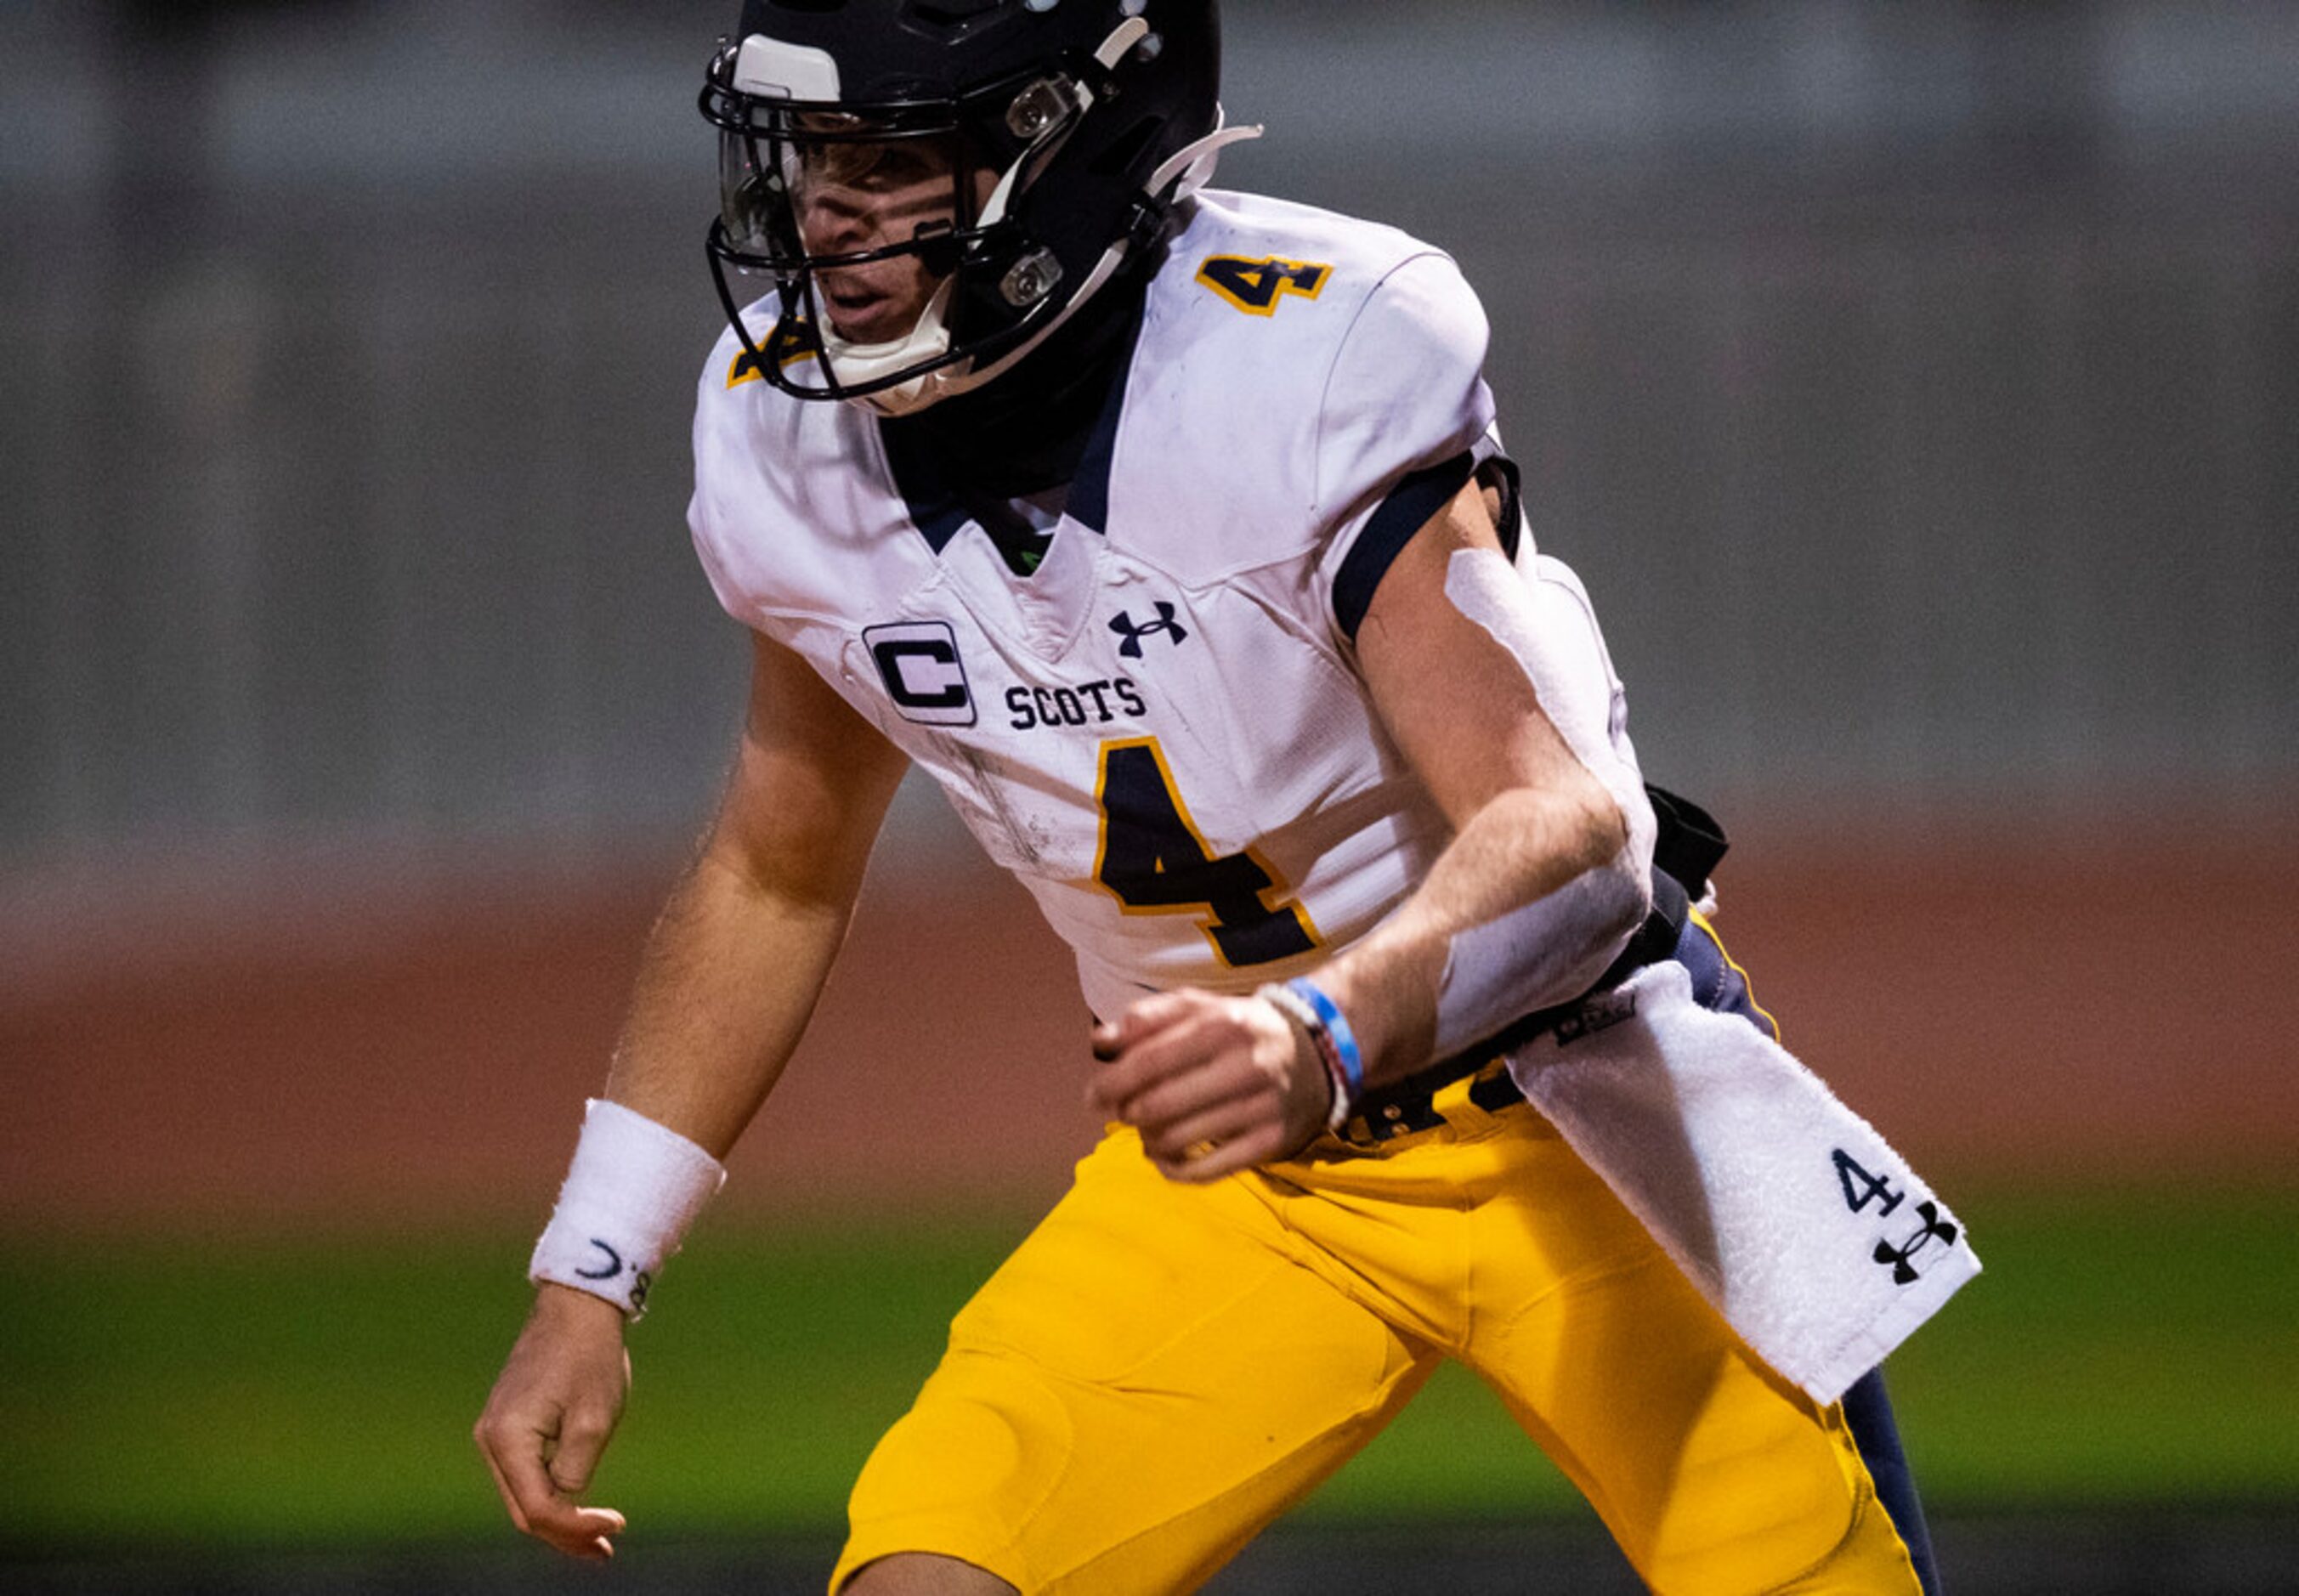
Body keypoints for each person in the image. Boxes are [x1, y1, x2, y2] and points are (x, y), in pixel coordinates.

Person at [474, 3, 1950, 1591]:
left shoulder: (1305, 356)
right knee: (927, 1574)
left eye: (887, 160)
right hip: (1253, 1172)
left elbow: (1567, 829)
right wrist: (589, 1272)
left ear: (1068, 153)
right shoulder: (787, 441)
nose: (821, 217)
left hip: (1578, 1106)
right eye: (811, 160)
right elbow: (775, 867)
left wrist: (1317, 1032)